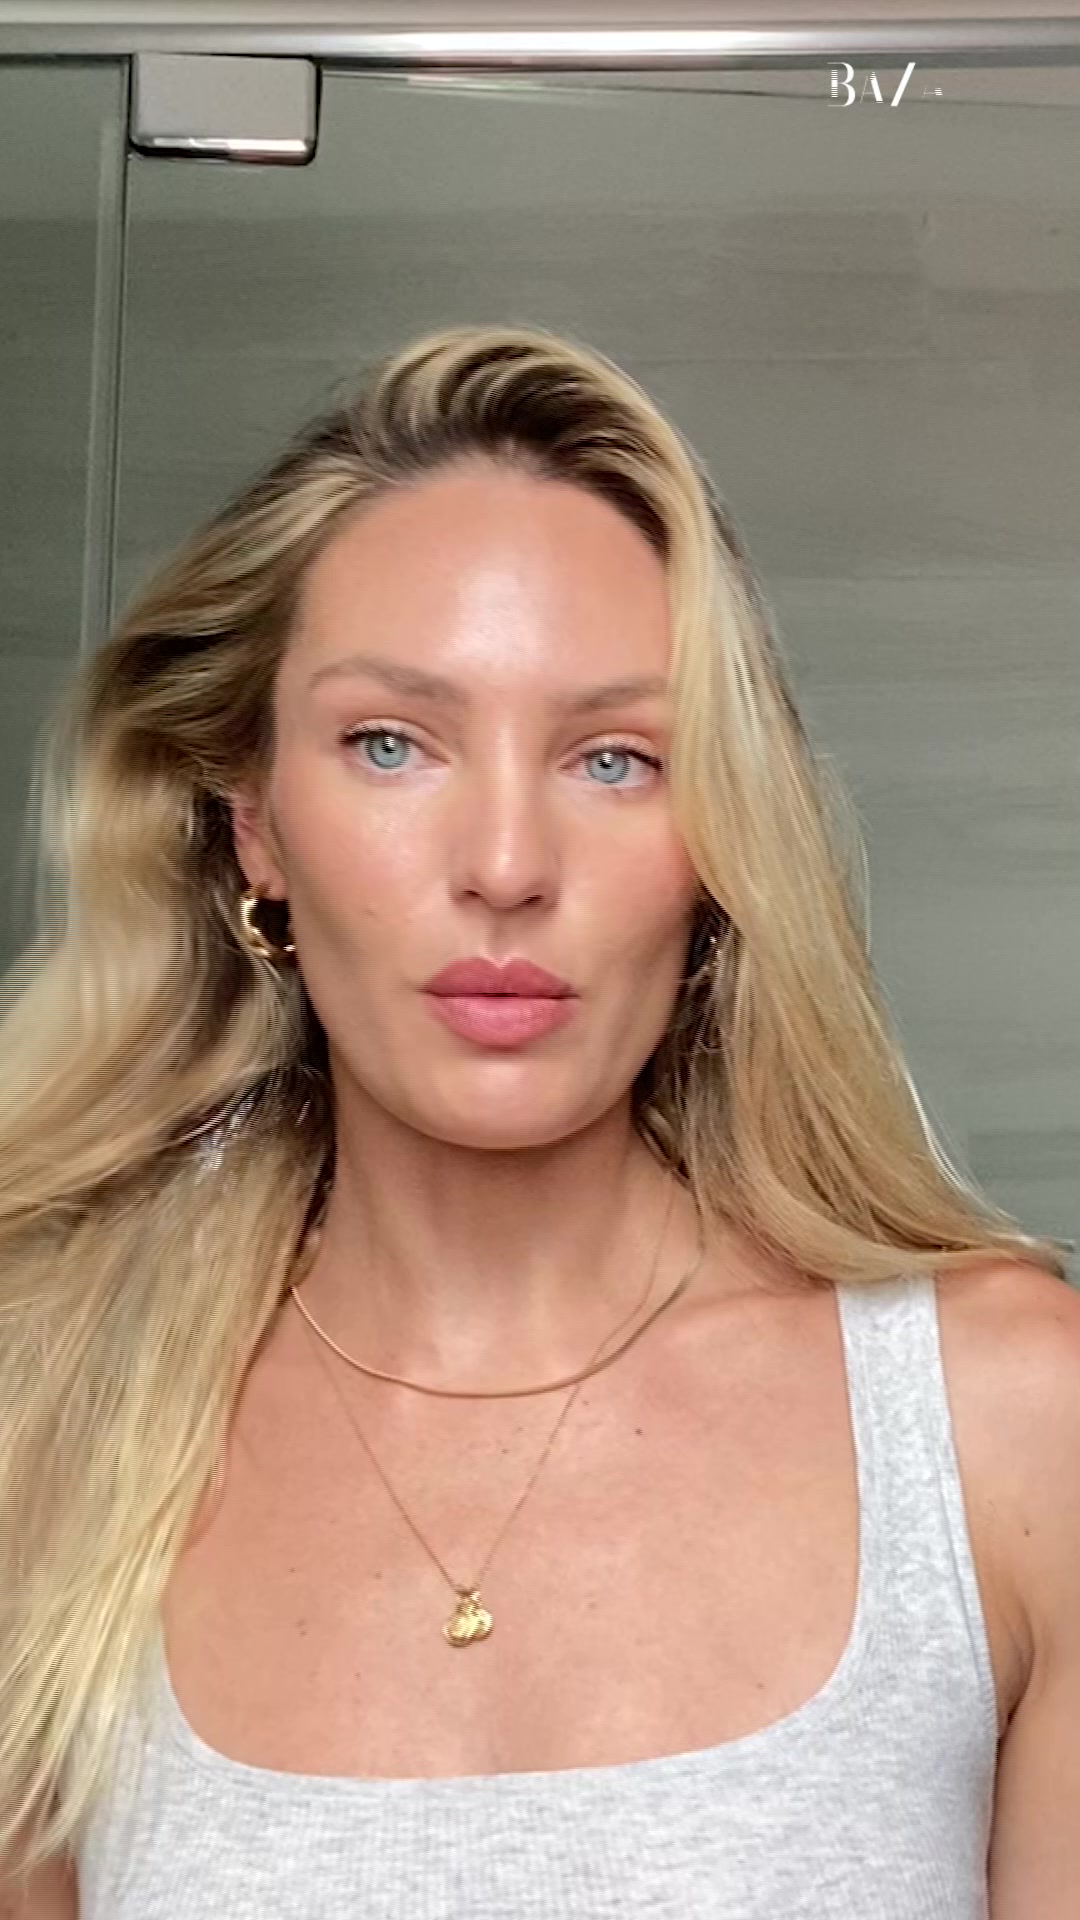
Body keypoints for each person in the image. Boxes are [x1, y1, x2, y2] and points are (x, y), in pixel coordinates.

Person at [0, 321, 1075, 1920]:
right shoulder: (43, 1431)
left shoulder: (1010, 1426)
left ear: (721, 835)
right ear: (255, 826)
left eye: (615, 759)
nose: (506, 864)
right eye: (391, 743)